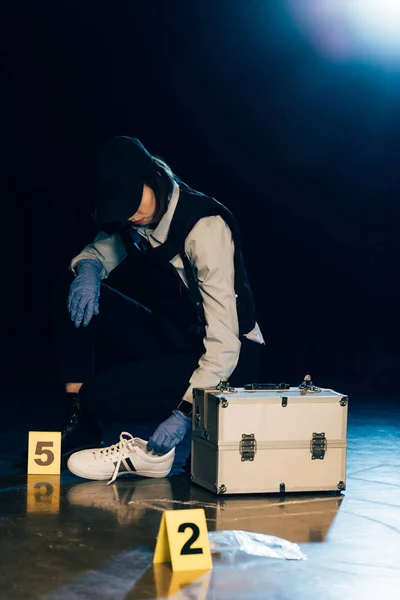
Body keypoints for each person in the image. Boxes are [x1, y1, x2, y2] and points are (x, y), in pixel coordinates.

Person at [54, 136, 265, 480]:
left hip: (231, 355)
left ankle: (161, 445)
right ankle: (78, 418)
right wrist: (89, 269)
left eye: (131, 203)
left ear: (154, 177)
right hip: (177, 335)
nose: (130, 216)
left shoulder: (205, 227)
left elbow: (225, 343)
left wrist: (185, 412)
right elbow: (99, 251)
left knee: (103, 397)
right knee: (70, 284)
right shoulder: (133, 219)